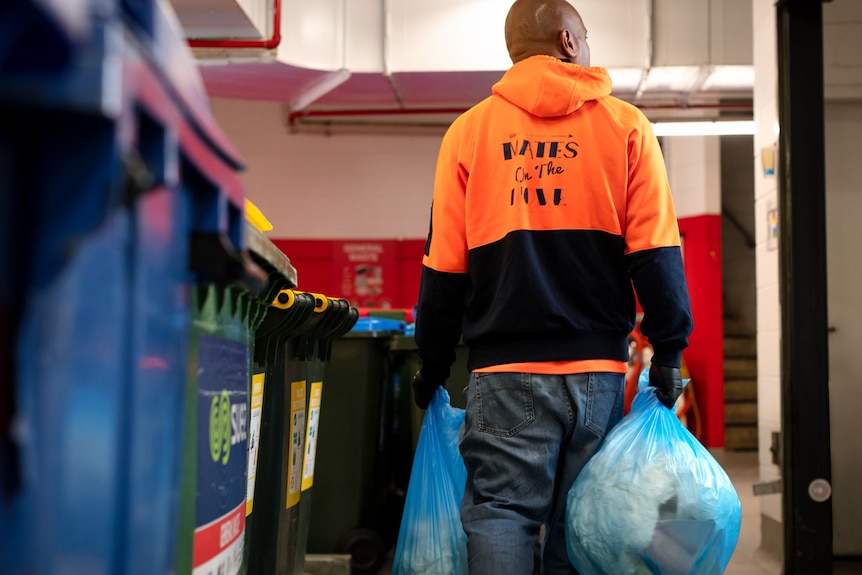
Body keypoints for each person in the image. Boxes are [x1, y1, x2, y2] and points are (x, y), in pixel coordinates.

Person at [411, 0, 694, 573]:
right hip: (596, 373)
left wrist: (433, 365)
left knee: (500, 513)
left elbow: (443, 269)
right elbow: (656, 253)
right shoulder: (626, 128)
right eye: (584, 37)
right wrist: (669, 351)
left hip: (503, 372)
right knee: (583, 518)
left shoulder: (467, 133)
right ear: (568, 42)